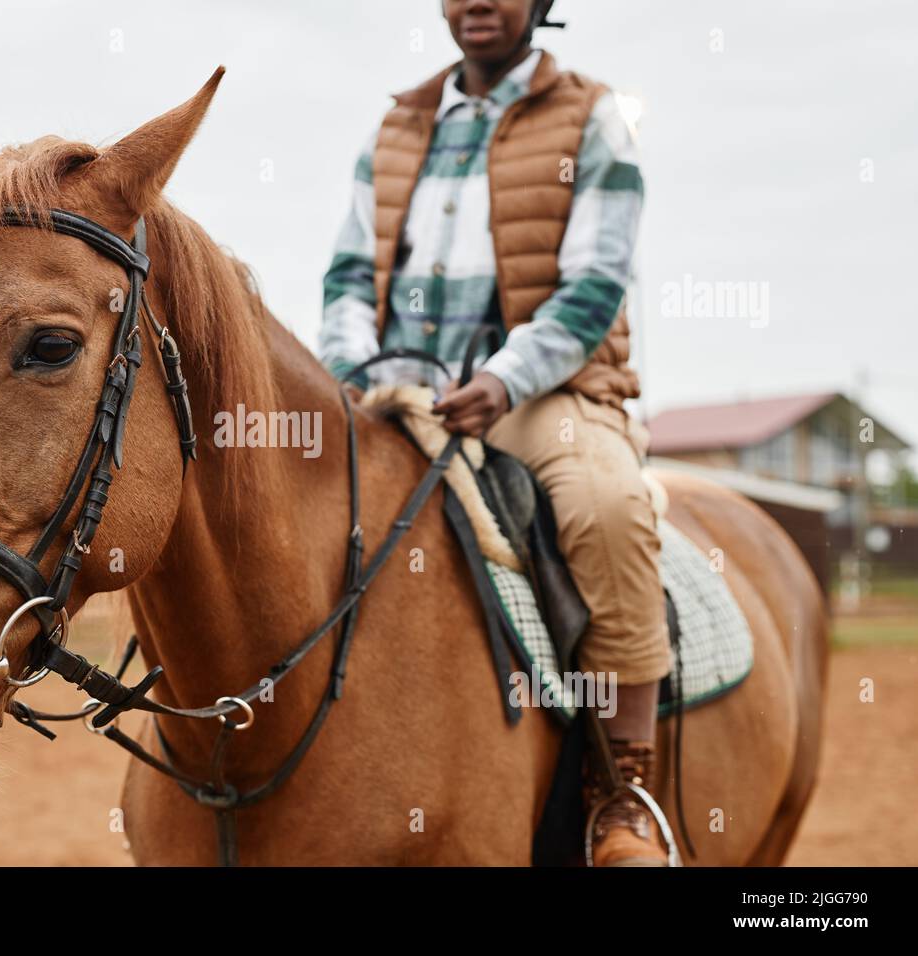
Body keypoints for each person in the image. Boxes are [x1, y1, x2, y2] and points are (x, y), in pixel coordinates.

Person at [320, 0, 670, 866]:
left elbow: (595, 286)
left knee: (607, 504)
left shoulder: (594, 119)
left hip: (537, 391)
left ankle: (622, 788)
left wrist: (504, 379)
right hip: (397, 391)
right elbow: (347, 274)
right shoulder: (397, 126)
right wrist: (357, 374)